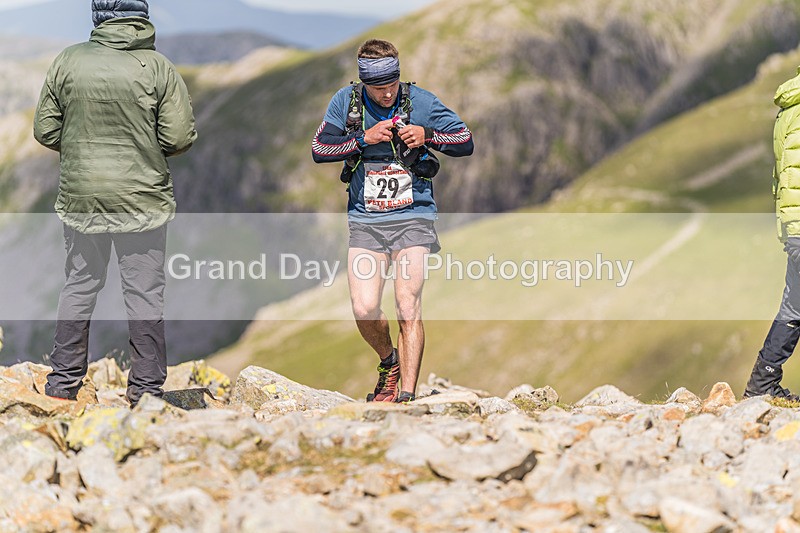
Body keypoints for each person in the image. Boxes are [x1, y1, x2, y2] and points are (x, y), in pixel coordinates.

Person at [33, 0, 197, 407]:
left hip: (82, 197)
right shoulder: (159, 67)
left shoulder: (67, 62)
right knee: (144, 292)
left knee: (79, 284)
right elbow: (178, 138)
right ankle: (145, 392)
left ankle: (62, 385)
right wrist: (142, 150)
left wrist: (80, 149)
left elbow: (45, 129)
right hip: (141, 198)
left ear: (98, 16)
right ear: (140, 16)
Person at [312, 39, 473, 403]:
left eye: (392, 85)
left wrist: (427, 135)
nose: (387, 95)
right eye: (378, 88)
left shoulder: (421, 102)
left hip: (413, 216)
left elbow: (465, 140)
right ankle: (389, 362)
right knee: (365, 307)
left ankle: (407, 397)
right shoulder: (346, 103)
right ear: (364, 84)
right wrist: (360, 139)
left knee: (407, 303)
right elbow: (319, 149)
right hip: (365, 220)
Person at [744, 68, 800, 400]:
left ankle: (762, 385)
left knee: (794, 308)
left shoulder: (788, 109)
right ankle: (762, 384)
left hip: (793, 224)